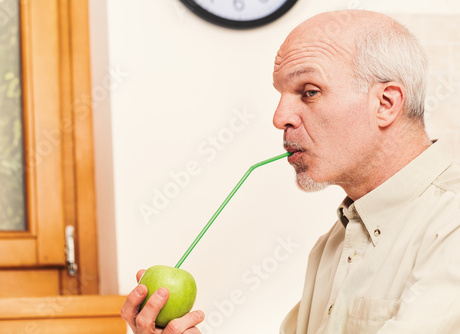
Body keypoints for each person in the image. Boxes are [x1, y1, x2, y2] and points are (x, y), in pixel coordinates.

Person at [121, 9, 460, 334]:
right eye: (281, 95)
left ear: (385, 103)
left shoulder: (452, 226)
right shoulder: (334, 243)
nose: (279, 116)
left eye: (309, 92)